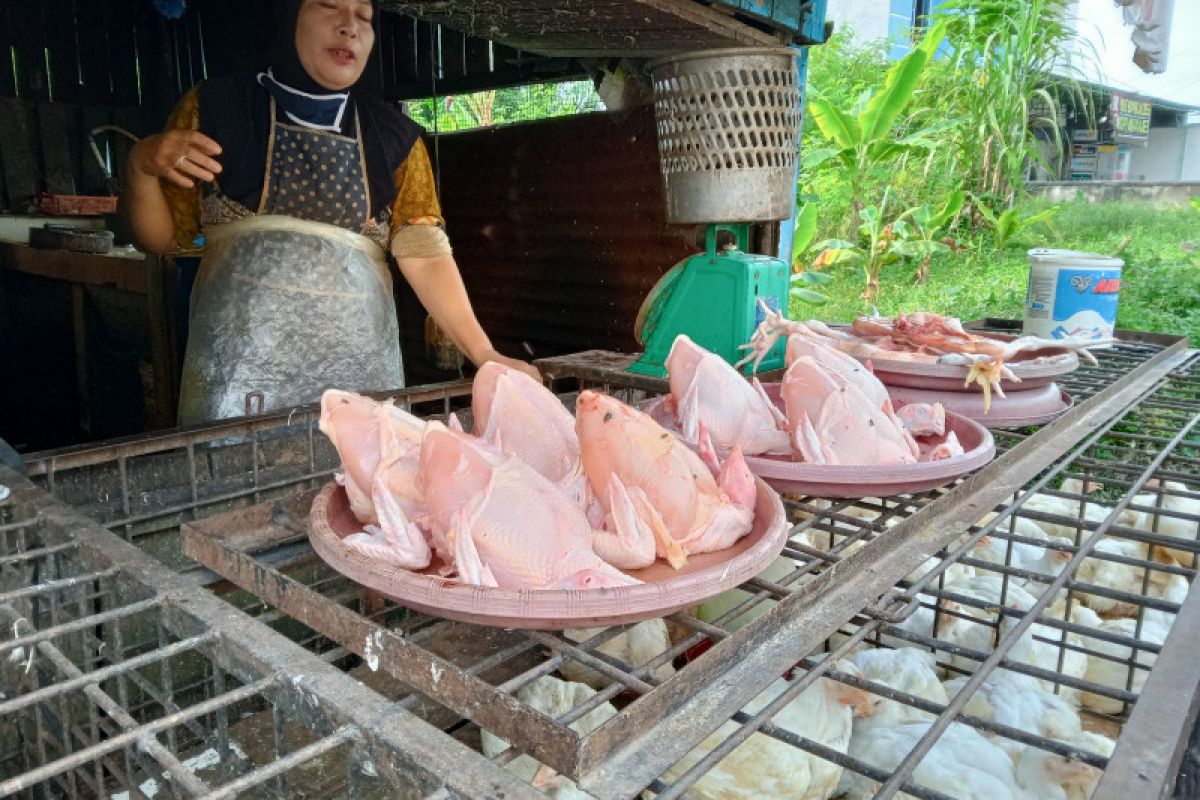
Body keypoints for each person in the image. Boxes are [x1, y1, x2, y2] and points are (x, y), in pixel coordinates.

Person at [122, 0, 539, 425]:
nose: (349, 28)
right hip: (238, 388)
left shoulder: (393, 138)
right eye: (328, 5)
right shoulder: (215, 110)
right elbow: (162, 239)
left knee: (354, 485)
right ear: (287, 16)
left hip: (359, 388)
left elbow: (425, 252)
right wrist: (140, 166)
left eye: (364, 17)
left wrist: (484, 354)